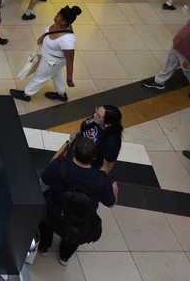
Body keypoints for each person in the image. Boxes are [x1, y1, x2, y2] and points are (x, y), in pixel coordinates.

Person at [37, 137, 118, 266]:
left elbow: (42, 187)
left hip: (54, 210)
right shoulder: (101, 180)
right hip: (80, 218)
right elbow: (111, 203)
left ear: (74, 151)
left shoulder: (58, 166)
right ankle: (64, 257)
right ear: (93, 158)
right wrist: (114, 190)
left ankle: (44, 247)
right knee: (74, 232)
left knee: (46, 222)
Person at [12, 5, 81, 103]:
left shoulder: (68, 40)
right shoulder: (59, 24)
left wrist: (69, 79)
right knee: (56, 75)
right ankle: (61, 94)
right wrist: (43, 36)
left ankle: (26, 94)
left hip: (52, 62)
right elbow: (50, 32)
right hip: (50, 58)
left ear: (64, 21)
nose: (55, 16)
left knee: (39, 77)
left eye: (58, 16)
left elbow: (70, 60)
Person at [70, 105, 123, 173]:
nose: (94, 114)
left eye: (98, 116)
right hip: (75, 153)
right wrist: (75, 133)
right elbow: (85, 125)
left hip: (86, 168)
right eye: (96, 111)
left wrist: (95, 180)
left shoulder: (112, 143)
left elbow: (106, 168)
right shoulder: (95, 119)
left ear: (108, 124)